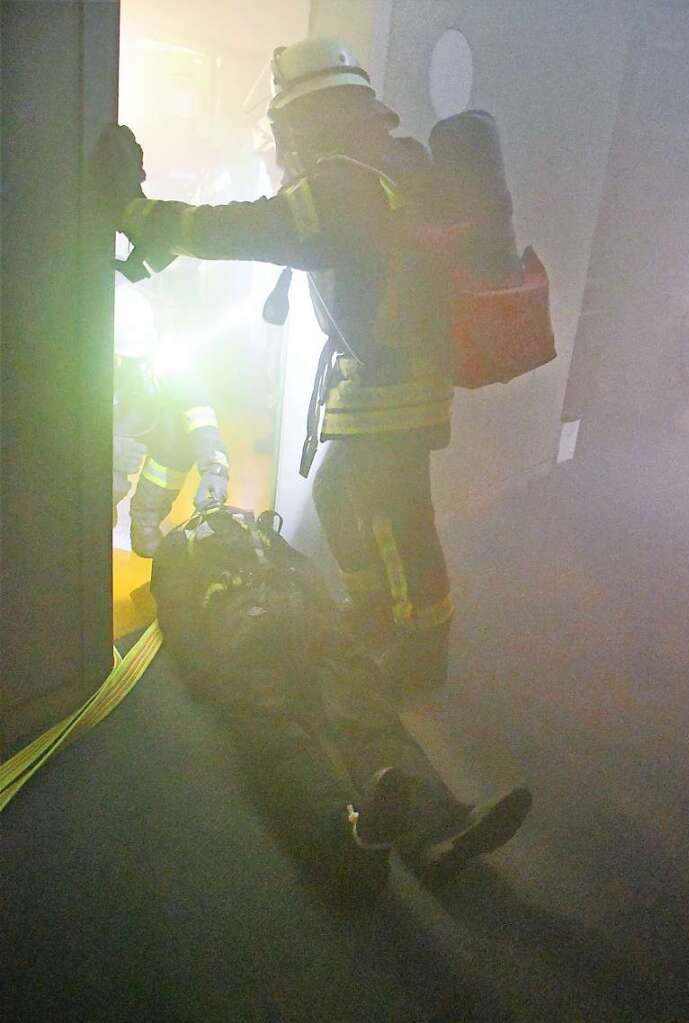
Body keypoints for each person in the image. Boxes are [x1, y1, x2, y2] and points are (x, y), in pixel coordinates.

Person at [101, 36, 524, 688]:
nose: (282, 140)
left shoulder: (342, 181)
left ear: (310, 115)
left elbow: (249, 229)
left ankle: (419, 651)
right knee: (343, 494)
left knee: (393, 514)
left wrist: (137, 211)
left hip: (392, 376)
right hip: (386, 368)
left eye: (285, 123)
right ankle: (377, 614)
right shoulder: (384, 163)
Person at [150, 505, 532, 903]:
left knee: (366, 714)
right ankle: (345, 839)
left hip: (308, 630)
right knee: (282, 743)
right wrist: (215, 675)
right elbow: (177, 617)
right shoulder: (178, 546)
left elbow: (303, 571)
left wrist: (335, 626)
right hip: (250, 640)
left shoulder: (253, 525)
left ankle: (438, 829)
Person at [112, 285, 231, 557]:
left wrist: (214, 469)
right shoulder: (74, 364)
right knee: (104, 484)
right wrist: (103, 449)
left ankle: (146, 521)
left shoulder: (166, 357)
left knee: (178, 437)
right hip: (105, 437)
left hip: (147, 425)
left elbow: (199, 411)